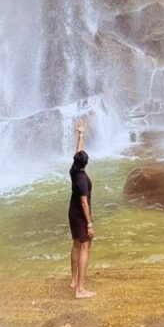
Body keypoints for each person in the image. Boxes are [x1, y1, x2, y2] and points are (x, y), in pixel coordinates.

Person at [69, 120, 95, 299]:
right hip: (81, 216)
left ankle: (73, 280)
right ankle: (80, 289)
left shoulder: (73, 170)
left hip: (72, 212)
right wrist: (90, 223)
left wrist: (81, 135)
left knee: (76, 245)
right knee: (85, 247)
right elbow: (85, 203)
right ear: (85, 164)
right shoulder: (83, 181)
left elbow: (78, 153)